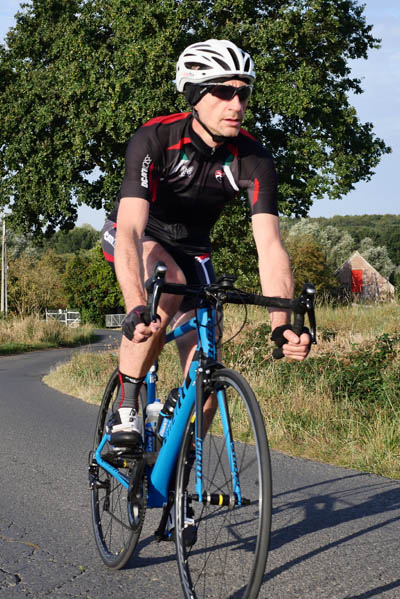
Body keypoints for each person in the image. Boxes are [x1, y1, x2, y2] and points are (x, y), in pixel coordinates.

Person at [101, 39, 311, 446]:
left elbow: (270, 247)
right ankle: (126, 407)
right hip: (137, 235)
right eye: (223, 92)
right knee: (168, 283)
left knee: (207, 381)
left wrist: (281, 325)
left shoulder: (254, 159)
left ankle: (176, 461)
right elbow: (129, 231)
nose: (237, 104)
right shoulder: (155, 139)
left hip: (194, 250)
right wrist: (135, 304)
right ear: (195, 96)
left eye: (243, 93)